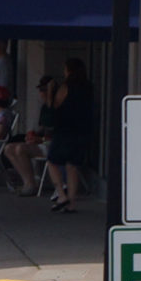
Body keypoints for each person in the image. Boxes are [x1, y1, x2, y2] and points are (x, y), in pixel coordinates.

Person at [44, 58, 97, 212]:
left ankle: (61, 194)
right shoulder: (88, 87)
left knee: (52, 161)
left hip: (65, 129)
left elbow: (54, 106)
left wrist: (49, 92)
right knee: (72, 165)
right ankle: (72, 202)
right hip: (82, 130)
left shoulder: (66, 87)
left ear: (69, 71)